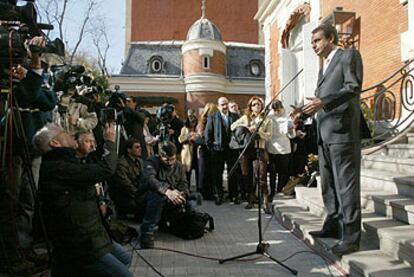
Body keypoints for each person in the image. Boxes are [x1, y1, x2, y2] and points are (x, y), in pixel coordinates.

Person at [297, 24, 363, 256]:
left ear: (331, 38)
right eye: (312, 41)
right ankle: (332, 224)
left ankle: (351, 238)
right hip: (324, 133)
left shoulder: (348, 55)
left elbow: (353, 88)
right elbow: (322, 99)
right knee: (328, 183)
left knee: (346, 186)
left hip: (343, 133)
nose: (313, 45)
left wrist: (323, 101)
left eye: (317, 40)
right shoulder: (323, 67)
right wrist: (306, 111)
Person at [33, 123, 132, 276]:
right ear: (55, 142)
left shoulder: (68, 162)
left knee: (125, 258)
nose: (71, 135)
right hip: (81, 243)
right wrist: (110, 141)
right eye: (64, 133)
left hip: (94, 233)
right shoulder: (59, 168)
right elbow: (106, 169)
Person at [0, 36, 56, 275]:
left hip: (32, 146)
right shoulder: (14, 80)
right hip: (12, 147)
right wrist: (29, 77)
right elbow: (25, 95)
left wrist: (32, 75)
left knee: (28, 201)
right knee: (10, 201)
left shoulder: (36, 78)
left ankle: (24, 247)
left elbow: (48, 101)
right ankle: (10, 254)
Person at [137, 142, 190, 248]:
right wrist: (167, 191)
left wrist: (180, 194)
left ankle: (167, 223)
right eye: (167, 160)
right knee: (157, 195)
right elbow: (150, 179)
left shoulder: (178, 166)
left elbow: (184, 184)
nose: (170, 163)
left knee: (190, 204)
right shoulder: (151, 162)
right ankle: (147, 232)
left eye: (172, 159)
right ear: (160, 156)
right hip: (147, 201)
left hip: (169, 200)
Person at [231, 96, 272, 213]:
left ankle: (265, 201)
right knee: (246, 175)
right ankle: (251, 198)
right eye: (254, 104)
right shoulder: (245, 117)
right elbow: (232, 126)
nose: (256, 106)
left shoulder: (266, 120)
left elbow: (269, 136)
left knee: (262, 176)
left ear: (262, 106)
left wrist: (258, 131)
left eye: (258, 104)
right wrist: (247, 127)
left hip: (259, 149)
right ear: (250, 107)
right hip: (246, 150)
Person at [204, 97, 240, 205]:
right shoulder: (213, 117)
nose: (224, 106)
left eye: (226, 104)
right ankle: (218, 195)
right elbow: (207, 134)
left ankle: (233, 195)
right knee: (217, 174)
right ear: (218, 106)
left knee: (232, 173)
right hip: (217, 150)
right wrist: (212, 148)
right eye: (222, 104)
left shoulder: (235, 116)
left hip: (231, 150)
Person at [266, 100, 295, 201]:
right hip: (272, 146)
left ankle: (279, 190)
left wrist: (291, 131)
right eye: (275, 110)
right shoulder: (269, 117)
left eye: (279, 110)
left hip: (284, 147)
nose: (277, 112)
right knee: (272, 172)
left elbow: (292, 135)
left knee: (283, 171)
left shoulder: (287, 118)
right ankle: (272, 191)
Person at [109, 138, 144, 217]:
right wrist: (139, 194)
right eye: (137, 147)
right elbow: (125, 184)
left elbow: (143, 178)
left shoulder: (140, 161)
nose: (140, 149)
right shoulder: (121, 164)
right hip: (125, 195)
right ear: (129, 150)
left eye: (140, 147)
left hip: (136, 191)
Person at [196, 102, 218, 200]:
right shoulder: (205, 121)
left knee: (206, 171)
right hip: (205, 149)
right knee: (205, 171)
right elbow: (202, 136)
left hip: (205, 148)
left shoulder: (202, 120)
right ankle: (205, 193)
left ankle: (206, 192)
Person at [178, 115, 199, 190]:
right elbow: (180, 139)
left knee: (198, 171)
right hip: (187, 153)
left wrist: (196, 138)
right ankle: (187, 188)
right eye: (191, 122)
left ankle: (199, 188)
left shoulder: (197, 128)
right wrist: (188, 136)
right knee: (187, 172)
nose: (193, 124)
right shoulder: (184, 129)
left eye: (194, 122)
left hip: (196, 152)